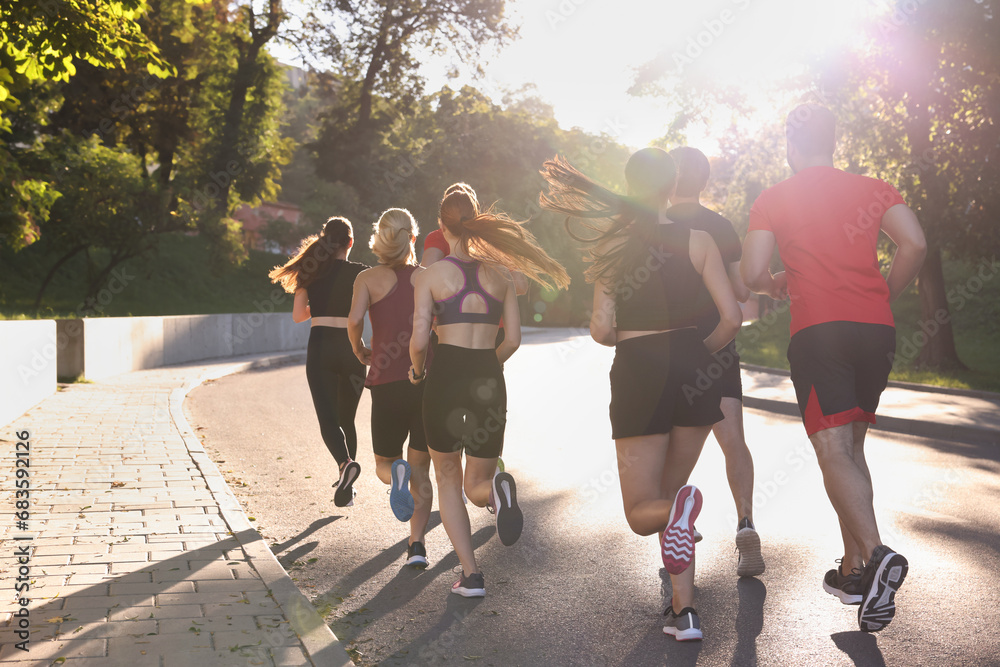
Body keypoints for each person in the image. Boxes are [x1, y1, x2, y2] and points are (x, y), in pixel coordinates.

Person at [539, 148, 742, 642]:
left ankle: (685, 595)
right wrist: (698, 352)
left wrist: (633, 335)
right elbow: (733, 318)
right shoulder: (698, 240)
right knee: (669, 497)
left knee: (642, 512)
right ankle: (684, 613)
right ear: (672, 188)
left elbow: (602, 329)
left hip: (638, 374)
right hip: (695, 371)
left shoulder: (614, 251)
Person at [741, 103, 926, 633]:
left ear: (791, 147)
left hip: (820, 331)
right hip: (876, 329)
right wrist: (883, 294)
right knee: (852, 448)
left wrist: (774, 280)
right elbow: (914, 242)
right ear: (833, 142)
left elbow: (753, 271)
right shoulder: (873, 188)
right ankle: (853, 574)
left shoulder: (775, 198)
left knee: (831, 449)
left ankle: (877, 554)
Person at [409, 188, 570, 598]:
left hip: (444, 376)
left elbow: (418, 340)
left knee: (447, 476)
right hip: (488, 376)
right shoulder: (500, 276)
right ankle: (496, 487)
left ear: (441, 226)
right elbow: (513, 339)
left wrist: (414, 371)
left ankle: (472, 575)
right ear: (477, 219)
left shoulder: (428, 276)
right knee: (476, 480)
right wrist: (487, 365)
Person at [665, 146, 764, 578]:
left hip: (668, 350)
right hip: (718, 346)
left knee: (670, 452)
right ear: (704, 182)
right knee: (733, 441)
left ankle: (676, 523)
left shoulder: (654, 226)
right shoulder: (720, 226)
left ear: (668, 181)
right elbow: (743, 293)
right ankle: (745, 521)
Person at [347, 208, 434, 568]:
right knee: (423, 471)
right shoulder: (429, 278)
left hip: (384, 381)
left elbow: (353, 321)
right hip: (425, 381)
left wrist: (360, 349)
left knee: (385, 462)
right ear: (413, 238)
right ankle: (416, 546)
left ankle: (396, 472)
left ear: (380, 238)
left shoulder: (366, 279)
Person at [269, 217, 368, 508]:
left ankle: (344, 463)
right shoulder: (362, 274)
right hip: (352, 348)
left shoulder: (311, 272)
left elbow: (299, 315)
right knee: (346, 418)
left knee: (328, 419)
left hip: (321, 347)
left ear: (326, 241)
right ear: (350, 243)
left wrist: (320, 305)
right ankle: (347, 489)